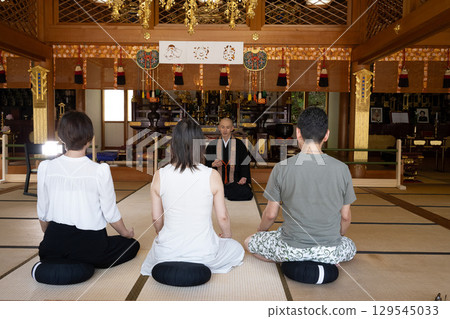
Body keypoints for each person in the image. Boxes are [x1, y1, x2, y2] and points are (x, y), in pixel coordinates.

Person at [244, 107, 356, 265]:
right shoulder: (342, 169)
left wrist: (261, 231)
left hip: (291, 246)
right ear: (327, 135)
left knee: (249, 242)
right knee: (350, 246)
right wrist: (337, 237)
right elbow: (345, 217)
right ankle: (325, 259)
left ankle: (288, 259)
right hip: (330, 249)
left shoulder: (281, 168)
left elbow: (270, 215)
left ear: (298, 133)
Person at [141, 119, 244, 275]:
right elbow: (222, 218)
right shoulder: (211, 175)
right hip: (204, 254)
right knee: (237, 249)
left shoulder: (160, 175)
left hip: (166, 254)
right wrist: (227, 237)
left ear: (174, 144)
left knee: (157, 246)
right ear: (200, 145)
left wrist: (162, 233)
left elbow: (156, 218)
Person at [37, 111, 139, 268]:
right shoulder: (100, 170)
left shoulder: (46, 167)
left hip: (53, 245)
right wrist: (126, 233)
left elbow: (42, 212)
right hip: (91, 246)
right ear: (90, 139)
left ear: (61, 137)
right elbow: (110, 212)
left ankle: (63, 256)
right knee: (133, 245)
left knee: (57, 249)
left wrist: (51, 238)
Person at [205, 118, 253, 201]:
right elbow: (206, 164)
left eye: (227, 127)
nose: (225, 130)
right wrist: (212, 164)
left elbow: (245, 162)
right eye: (222, 127)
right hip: (216, 180)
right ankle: (224, 191)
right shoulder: (212, 144)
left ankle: (223, 192)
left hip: (235, 180)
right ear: (219, 128)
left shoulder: (239, 144)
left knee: (247, 193)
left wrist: (244, 176)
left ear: (232, 128)